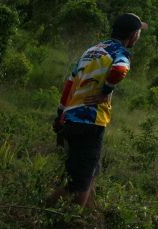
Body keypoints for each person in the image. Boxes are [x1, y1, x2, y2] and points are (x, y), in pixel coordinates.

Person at [48, 13, 148, 208]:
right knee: (78, 184)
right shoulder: (120, 52)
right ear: (133, 35)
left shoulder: (92, 50)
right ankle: (54, 212)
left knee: (91, 170)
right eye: (139, 32)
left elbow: (69, 83)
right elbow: (120, 70)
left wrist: (60, 114)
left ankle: (88, 214)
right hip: (90, 121)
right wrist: (105, 91)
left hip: (71, 118)